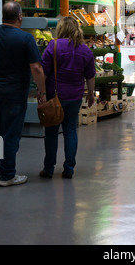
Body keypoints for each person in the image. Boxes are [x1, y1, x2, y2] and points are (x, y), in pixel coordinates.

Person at [40, 16, 96, 179]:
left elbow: (44, 71)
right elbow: (90, 76)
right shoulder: (85, 50)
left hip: (54, 96)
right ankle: (69, 168)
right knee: (70, 131)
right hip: (75, 97)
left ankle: (49, 169)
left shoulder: (54, 45)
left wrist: (41, 92)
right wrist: (91, 94)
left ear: (61, 29)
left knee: (51, 132)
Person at [0, 1, 46, 187]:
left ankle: (2, 171)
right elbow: (36, 68)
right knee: (9, 133)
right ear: (20, 16)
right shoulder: (25, 38)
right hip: (14, 94)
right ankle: (8, 175)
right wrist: (42, 91)